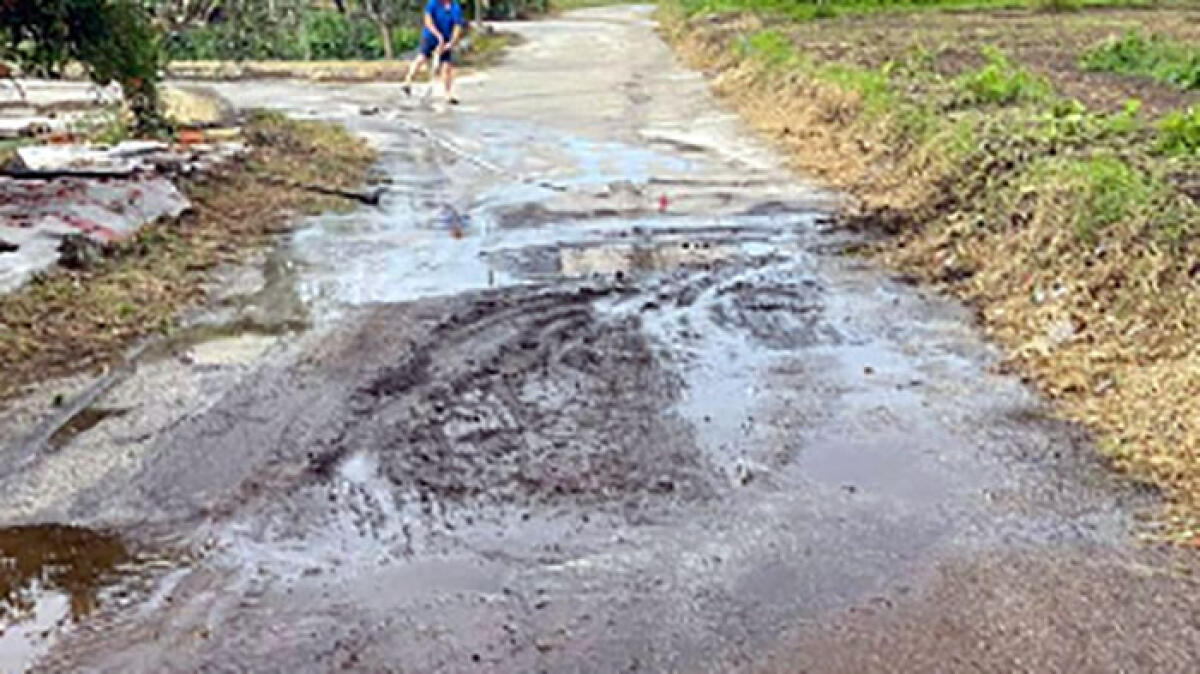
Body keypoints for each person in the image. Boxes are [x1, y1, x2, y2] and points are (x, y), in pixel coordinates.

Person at [401, 0, 466, 105]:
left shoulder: (455, 7)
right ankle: (408, 81)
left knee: (446, 65)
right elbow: (428, 21)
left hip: (446, 38)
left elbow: (457, 26)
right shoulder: (433, 3)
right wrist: (438, 36)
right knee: (422, 57)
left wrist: (451, 43)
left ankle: (448, 94)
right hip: (430, 35)